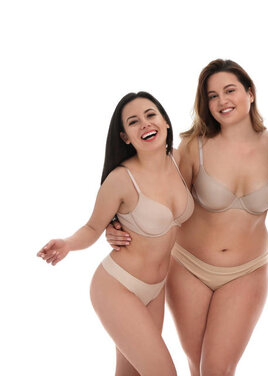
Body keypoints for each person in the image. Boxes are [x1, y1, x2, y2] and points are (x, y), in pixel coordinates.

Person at [106, 59, 268, 375]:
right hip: (189, 267)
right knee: (197, 365)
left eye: (230, 90)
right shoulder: (193, 145)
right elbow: (157, 198)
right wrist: (114, 225)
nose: (222, 101)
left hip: (247, 271)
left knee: (217, 369)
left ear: (250, 92)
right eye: (212, 96)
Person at [37, 91, 192, 375]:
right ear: (125, 137)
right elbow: (93, 227)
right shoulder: (121, 179)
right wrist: (68, 243)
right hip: (118, 287)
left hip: (156, 289)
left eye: (150, 115)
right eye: (133, 122)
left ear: (166, 122)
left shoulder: (179, 162)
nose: (145, 124)